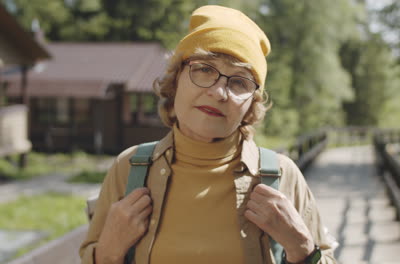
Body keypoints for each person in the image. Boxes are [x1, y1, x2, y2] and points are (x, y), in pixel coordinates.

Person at [80, 5, 337, 264]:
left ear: (251, 104)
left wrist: (302, 246)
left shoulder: (282, 175)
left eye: (239, 82)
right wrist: (108, 250)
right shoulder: (130, 168)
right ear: (176, 78)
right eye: (204, 69)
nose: (218, 92)